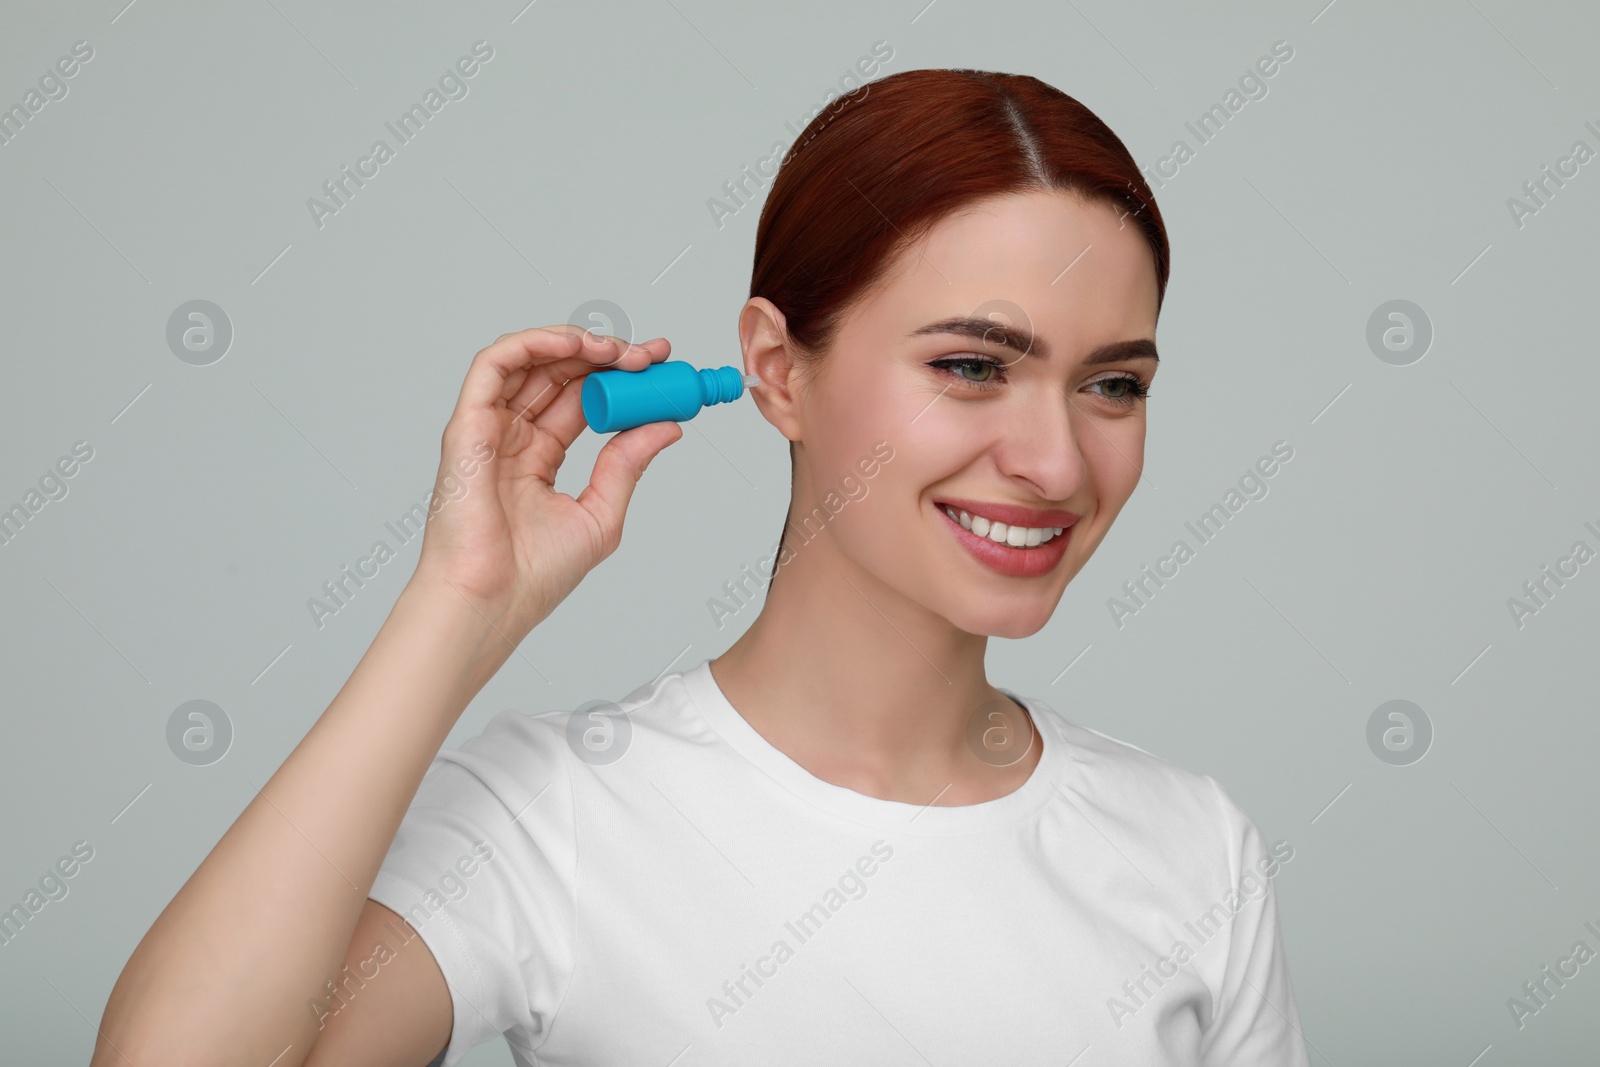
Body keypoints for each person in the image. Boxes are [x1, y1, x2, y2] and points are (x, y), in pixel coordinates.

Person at [94, 68, 1311, 1066]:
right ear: (778, 370)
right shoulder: (557, 813)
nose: (1054, 460)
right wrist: (454, 607)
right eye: (973, 366)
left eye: (1113, 384)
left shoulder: (1191, 851)